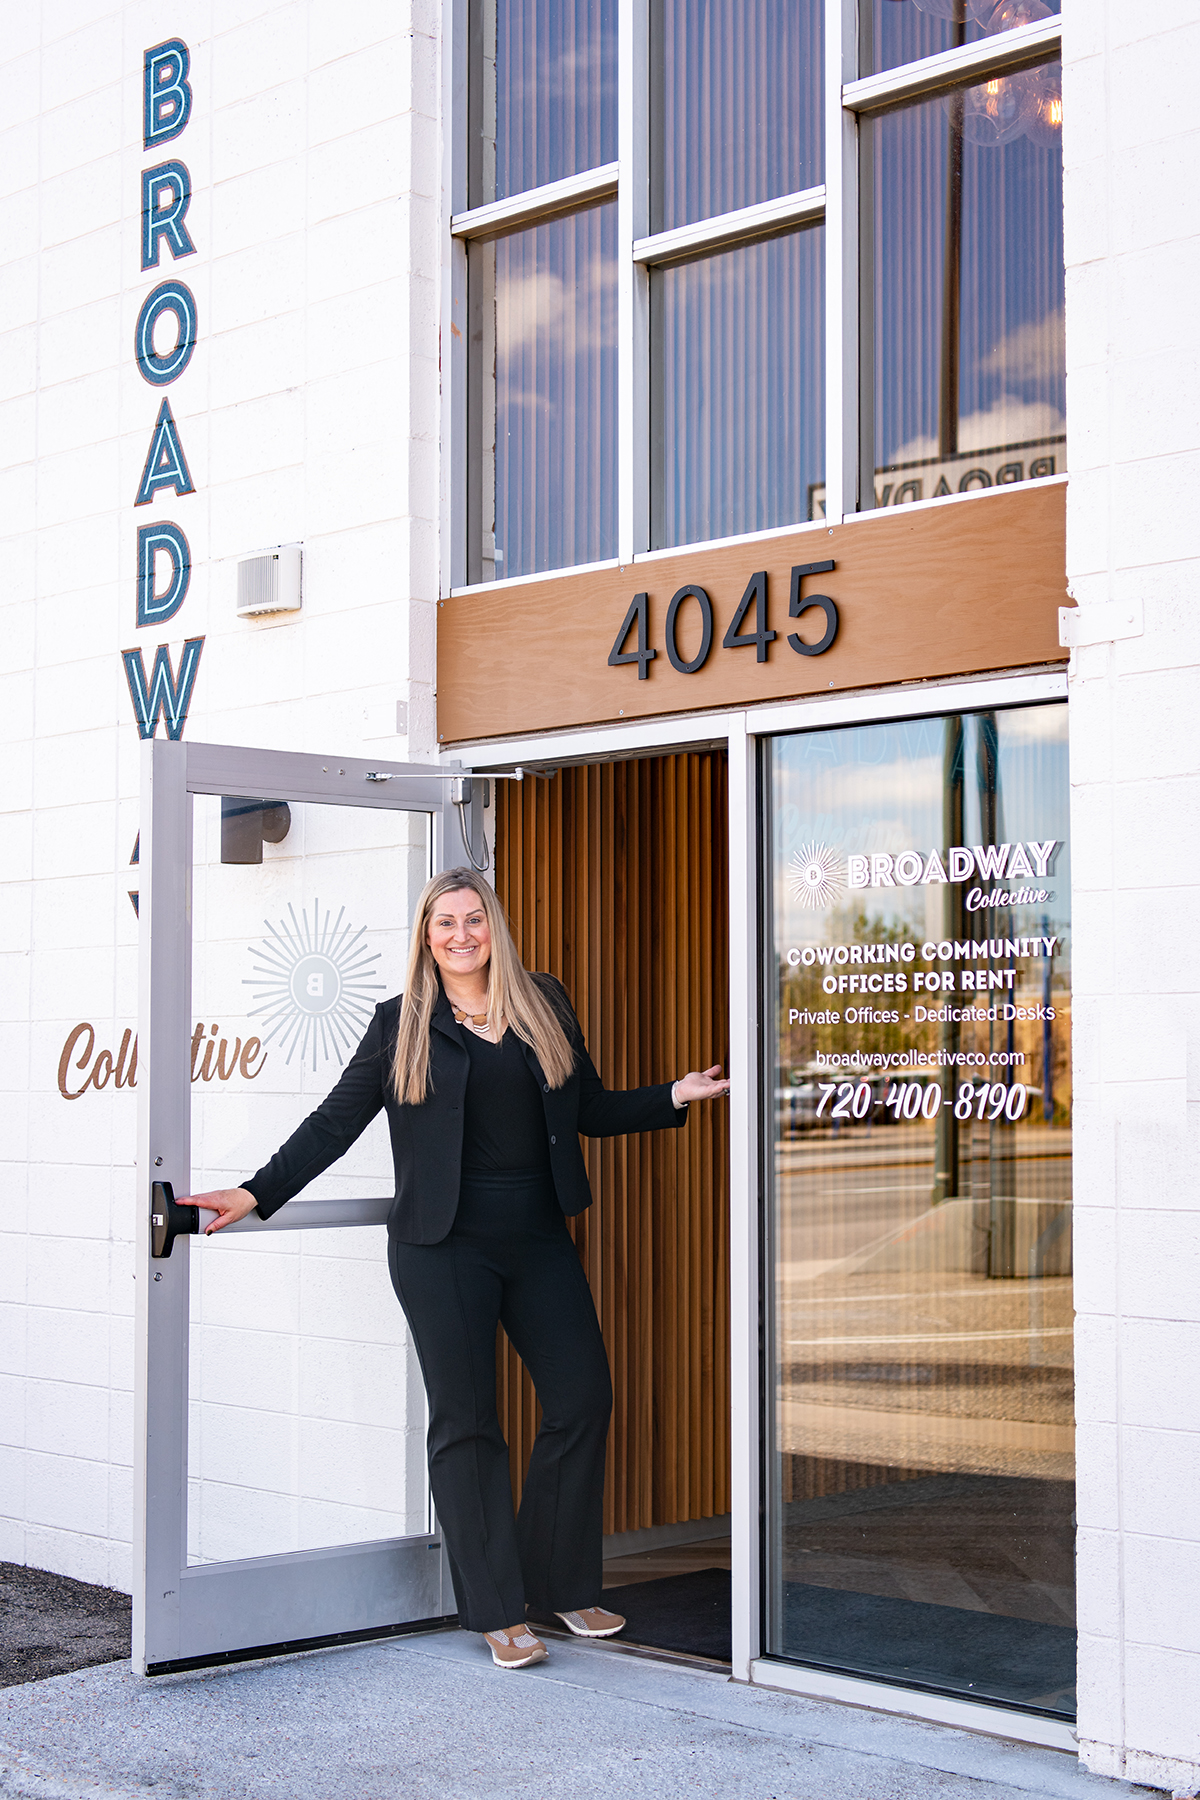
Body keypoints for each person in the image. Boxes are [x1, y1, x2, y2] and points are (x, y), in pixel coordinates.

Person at [183, 867, 731, 1670]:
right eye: (446, 923)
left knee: (582, 1398)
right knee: (469, 1422)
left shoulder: (543, 1002)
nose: (462, 934)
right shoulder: (399, 1022)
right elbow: (335, 1121)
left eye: (474, 919)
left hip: (538, 1236)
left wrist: (674, 1095)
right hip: (441, 1249)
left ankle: (560, 1583)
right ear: (426, 935)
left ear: (494, 927)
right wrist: (258, 1190)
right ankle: (495, 1609)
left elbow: (589, 1110)